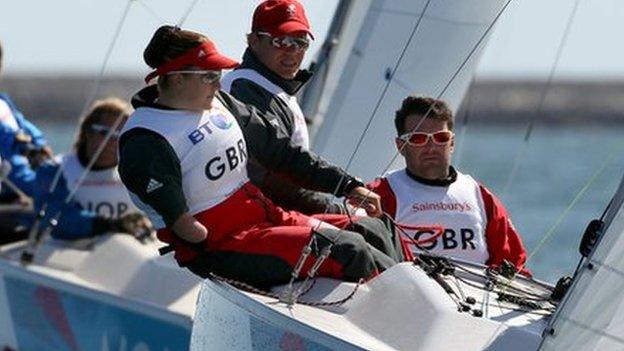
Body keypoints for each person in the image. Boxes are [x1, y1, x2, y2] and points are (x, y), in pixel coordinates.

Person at [118, 25, 404, 288]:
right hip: (223, 245)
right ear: (177, 78)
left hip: (265, 217)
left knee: (374, 227)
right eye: (209, 76)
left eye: (218, 75)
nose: (218, 84)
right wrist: (195, 235)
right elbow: (185, 227)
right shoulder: (146, 138)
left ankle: (425, 300)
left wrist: (348, 185)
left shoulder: (220, 103)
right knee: (348, 250)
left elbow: (282, 153)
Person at [367, 95, 530, 275]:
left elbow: (514, 265)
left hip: (474, 298)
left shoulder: (480, 196)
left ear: (451, 143)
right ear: (400, 146)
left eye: (440, 137)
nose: (431, 147)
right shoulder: (381, 193)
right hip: (409, 297)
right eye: (418, 139)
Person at [221, 0, 342, 215]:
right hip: (257, 217)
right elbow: (268, 176)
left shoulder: (274, 87)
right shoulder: (245, 88)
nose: (293, 52)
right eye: (282, 41)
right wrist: (333, 207)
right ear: (254, 40)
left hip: (282, 212)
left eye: (301, 42)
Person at [31, 98, 152, 241]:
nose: (111, 142)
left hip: (124, 255)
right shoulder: (54, 170)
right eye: (104, 132)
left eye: (119, 136)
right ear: (88, 131)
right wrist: (109, 225)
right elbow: (55, 219)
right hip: (64, 255)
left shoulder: (140, 174)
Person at [0, 39, 53, 238]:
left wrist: (37, 148)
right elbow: (6, 135)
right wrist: (20, 145)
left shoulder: (4, 105)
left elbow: (31, 134)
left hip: (23, 195)